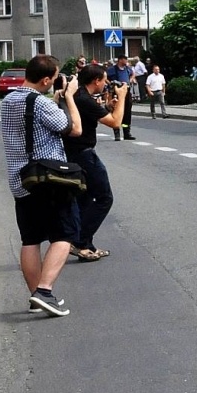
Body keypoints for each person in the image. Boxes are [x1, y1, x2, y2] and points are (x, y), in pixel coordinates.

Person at [0, 55, 83, 317]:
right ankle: (45, 291)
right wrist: (69, 97)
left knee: (31, 239)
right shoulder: (39, 102)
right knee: (65, 234)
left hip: (20, 178)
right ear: (46, 79)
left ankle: (37, 296)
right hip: (48, 179)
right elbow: (74, 129)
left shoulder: (8, 100)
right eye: (55, 77)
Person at [65, 63, 126, 261]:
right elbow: (116, 123)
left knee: (85, 199)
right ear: (96, 81)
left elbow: (96, 115)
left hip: (75, 154)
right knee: (104, 198)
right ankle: (80, 242)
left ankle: (84, 244)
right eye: (104, 79)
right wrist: (123, 97)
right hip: (84, 155)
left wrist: (108, 107)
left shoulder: (80, 96)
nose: (106, 83)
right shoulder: (83, 99)